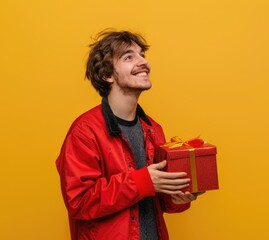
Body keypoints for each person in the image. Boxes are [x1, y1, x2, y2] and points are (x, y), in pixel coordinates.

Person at [56, 30, 201, 240]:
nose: (143, 62)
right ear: (107, 75)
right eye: (129, 56)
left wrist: (178, 197)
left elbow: (156, 201)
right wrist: (142, 181)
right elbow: (79, 202)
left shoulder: (153, 129)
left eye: (142, 54)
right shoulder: (84, 131)